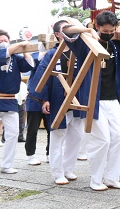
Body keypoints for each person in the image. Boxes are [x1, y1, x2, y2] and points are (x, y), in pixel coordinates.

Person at [60, 11, 120, 191]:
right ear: (97, 26)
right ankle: (96, 179)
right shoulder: (84, 43)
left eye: (111, 30)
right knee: (102, 140)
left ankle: (112, 178)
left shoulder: (117, 45)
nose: (109, 33)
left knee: (119, 139)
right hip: (94, 101)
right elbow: (62, 28)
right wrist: (86, 30)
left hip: (114, 100)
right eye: (105, 30)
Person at [28, 19, 83, 185]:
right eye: (67, 29)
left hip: (77, 99)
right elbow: (42, 77)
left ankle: (68, 168)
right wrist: (44, 99)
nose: (71, 31)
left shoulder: (79, 51)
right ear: (58, 34)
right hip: (57, 99)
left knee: (76, 136)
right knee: (58, 136)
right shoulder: (51, 54)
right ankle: (58, 172)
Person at [0, 30, 35, 176]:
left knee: (14, 133)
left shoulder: (15, 57)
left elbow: (28, 66)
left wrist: (25, 50)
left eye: (6, 40)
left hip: (10, 100)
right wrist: (18, 45)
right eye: (0, 41)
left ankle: (6, 165)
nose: (4, 42)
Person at [25, 52, 51, 166]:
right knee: (32, 129)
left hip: (50, 99)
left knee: (52, 129)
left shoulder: (56, 55)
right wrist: (42, 54)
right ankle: (30, 155)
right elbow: (31, 62)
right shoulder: (37, 55)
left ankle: (50, 153)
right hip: (34, 98)